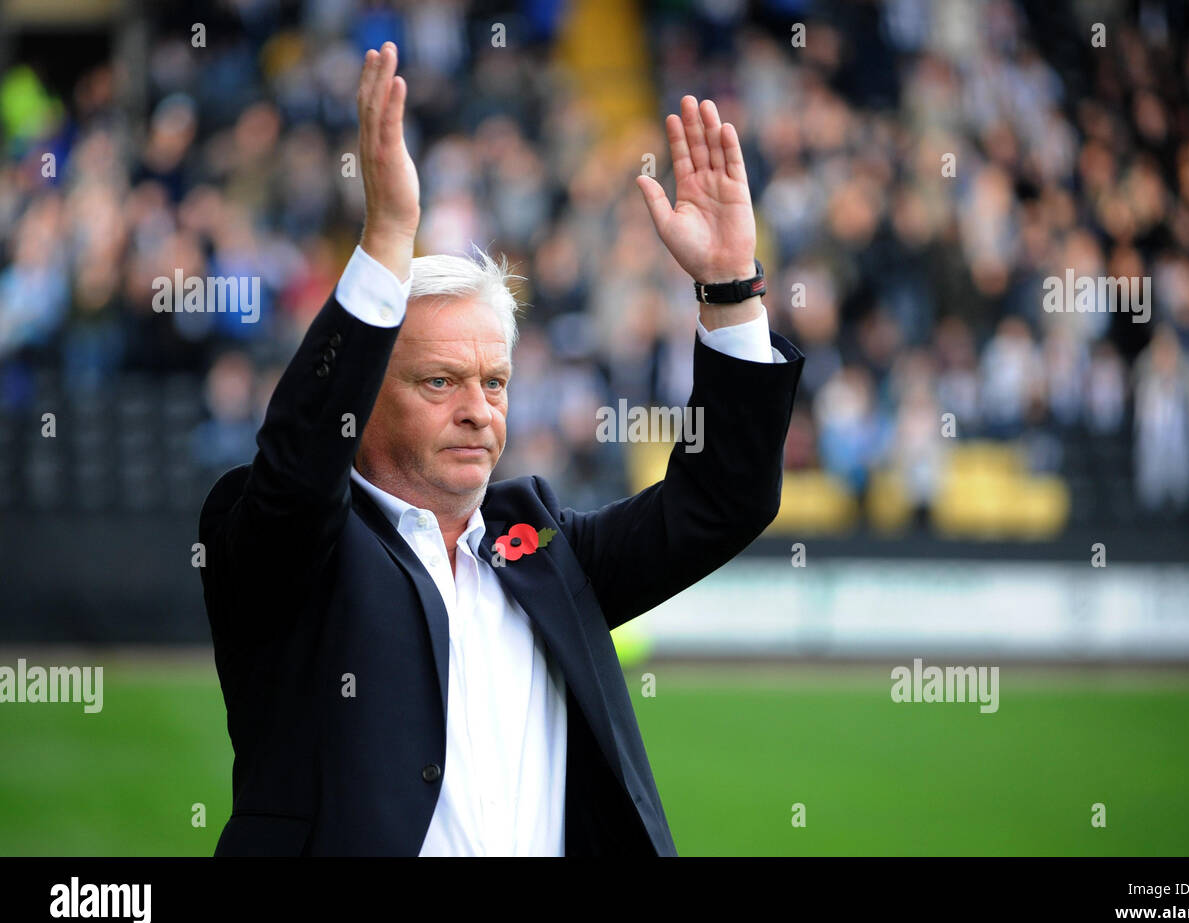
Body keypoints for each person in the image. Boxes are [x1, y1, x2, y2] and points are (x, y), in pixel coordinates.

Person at [198, 42, 804, 856]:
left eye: (496, 382)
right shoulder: (292, 546)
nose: (480, 411)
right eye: (442, 382)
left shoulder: (542, 545)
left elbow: (722, 499)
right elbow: (300, 468)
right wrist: (386, 243)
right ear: (364, 401)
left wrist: (731, 287)